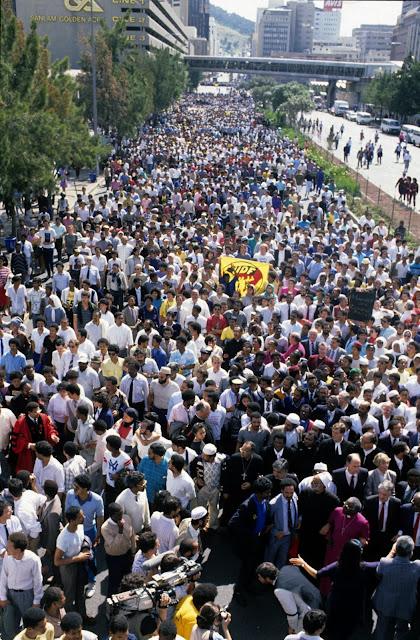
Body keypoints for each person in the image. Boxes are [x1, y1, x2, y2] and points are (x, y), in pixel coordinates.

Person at [291, 540, 377, 640]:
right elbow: (383, 564)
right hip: (353, 607)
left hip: (335, 604)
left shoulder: (337, 566)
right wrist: (392, 552)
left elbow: (317, 574)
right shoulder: (365, 567)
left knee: (332, 631)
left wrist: (303, 563)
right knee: (346, 633)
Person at [229, 476, 272, 604]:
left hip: (258, 542)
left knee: (253, 567)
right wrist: (250, 534)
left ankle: (247, 586)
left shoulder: (264, 502)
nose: (269, 494)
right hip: (247, 544)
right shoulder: (247, 506)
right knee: (245, 569)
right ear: (259, 492)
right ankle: (238, 591)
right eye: (267, 492)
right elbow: (233, 523)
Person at [373, 536, 420, 640]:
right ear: (411, 552)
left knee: (382, 631)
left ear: (396, 550)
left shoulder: (384, 563)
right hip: (405, 608)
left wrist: (392, 551)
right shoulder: (417, 566)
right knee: (402, 632)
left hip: (385, 604)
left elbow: (379, 570)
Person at [256, 562, 322, 635]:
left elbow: (292, 613)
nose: (258, 579)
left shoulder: (279, 590)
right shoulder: (287, 568)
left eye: (259, 577)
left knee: (298, 635)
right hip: (317, 596)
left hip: (310, 610)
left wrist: (293, 628)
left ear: (268, 578)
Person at [0, 532, 44, 640]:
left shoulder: (33, 559)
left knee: (30, 627)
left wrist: (36, 602)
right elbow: (3, 577)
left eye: (9, 546)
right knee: (8, 625)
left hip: (27, 596)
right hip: (10, 596)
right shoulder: (7, 556)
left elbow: (38, 581)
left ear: (18, 550)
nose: (6, 547)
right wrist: (3, 597)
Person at [101, 502, 136, 596]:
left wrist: (133, 550)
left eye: (122, 513)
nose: (122, 516)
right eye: (119, 515)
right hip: (114, 558)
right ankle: (112, 606)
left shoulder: (126, 518)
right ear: (111, 515)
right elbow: (114, 546)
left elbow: (132, 535)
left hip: (127, 554)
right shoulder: (105, 528)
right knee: (114, 582)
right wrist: (120, 530)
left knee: (128, 579)